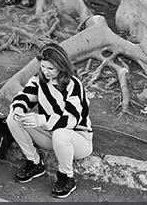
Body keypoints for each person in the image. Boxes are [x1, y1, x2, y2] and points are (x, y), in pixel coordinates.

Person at [7, 43, 93, 199]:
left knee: (61, 133)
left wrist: (40, 120)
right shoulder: (39, 80)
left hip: (78, 140)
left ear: (61, 66)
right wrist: (19, 109)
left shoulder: (73, 85)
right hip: (50, 136)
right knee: (13, 117)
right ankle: (34, 163)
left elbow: (71, 121)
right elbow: (24, 96)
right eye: (43, 67)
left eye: (50, 69)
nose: (45, 72)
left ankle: (66, 177)